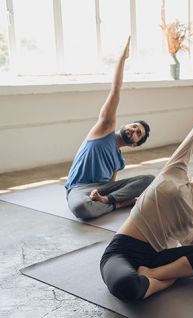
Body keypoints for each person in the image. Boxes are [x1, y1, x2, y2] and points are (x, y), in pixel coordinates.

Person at [100, 109, 193, 301]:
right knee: (125, 285)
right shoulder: (176, 172)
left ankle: (153, 275)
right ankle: (160, 279)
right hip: (123, 250)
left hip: (157, 258)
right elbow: (192, 139)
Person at [65, 37, 153, 220]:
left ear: (135, 145)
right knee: (82, 209)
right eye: (134, 126)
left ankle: (109, 201)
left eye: (138, 134)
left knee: (149, 179)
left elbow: (112, 184)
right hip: (80, 189)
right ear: (126, 125)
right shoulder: (103, 130)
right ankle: (116, 204)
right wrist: (122, 59)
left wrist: (107, 196)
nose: (134, 131)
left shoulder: (118, 162)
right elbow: (116, 89)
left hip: (102, 191)